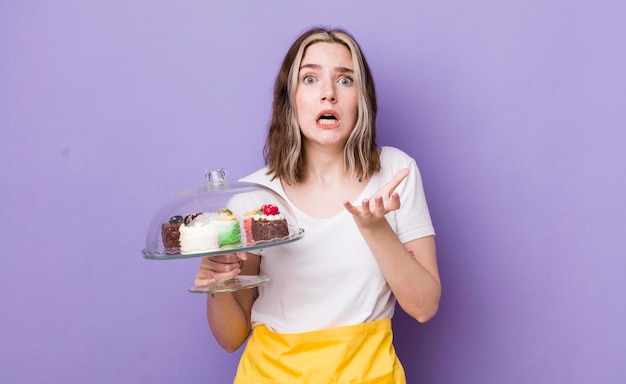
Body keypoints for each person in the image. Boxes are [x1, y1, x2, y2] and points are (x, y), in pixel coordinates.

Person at [194, 26, 441, 383]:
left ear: (362, 98)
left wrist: (375, 228)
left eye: (345, 80)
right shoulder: (254, 197)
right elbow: (231, 337)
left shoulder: (396, 172)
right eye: (310, 79)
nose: (328, 94)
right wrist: (217, 283)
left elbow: (423, 306)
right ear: (289, 98)